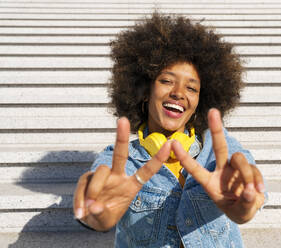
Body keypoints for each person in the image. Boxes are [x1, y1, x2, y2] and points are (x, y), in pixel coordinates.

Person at [73, 12, 267, 248]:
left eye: (192, 88)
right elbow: (99, 195)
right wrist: (97, 214)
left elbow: (248, 193)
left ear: (199, 104)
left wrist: (244, 206)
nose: (178, 92)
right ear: (145, 91)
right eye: (166, 81)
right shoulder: (120, 160)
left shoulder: (218, 149)